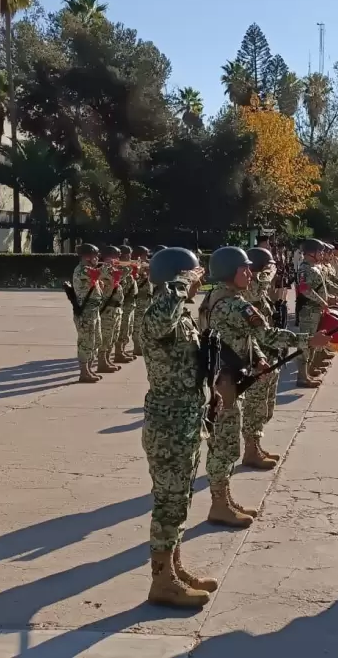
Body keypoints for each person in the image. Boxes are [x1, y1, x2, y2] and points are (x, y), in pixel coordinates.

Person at [199, 247, 331, 527]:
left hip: (223, 376)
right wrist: (309, 340)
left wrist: (257, 358)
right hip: (226, 383)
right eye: (243, 269)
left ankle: (224, 500)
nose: (250, 273)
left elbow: (245, 339)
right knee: (224, 447)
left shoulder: (216, 297)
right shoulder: (235, 304)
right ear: (228, 272)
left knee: (225, 442)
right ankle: (219, 505)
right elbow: (267, 333)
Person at [139, 247, 216, 608]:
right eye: (194, 274)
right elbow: (157, 323)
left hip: (186, 418)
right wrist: (183, 280)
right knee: (168, 504)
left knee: (181, 500)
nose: (200, 280)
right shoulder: (159, 310)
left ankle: (174, 568)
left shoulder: (181, 315)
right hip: (168, 423)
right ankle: (161, 582)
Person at [241, 247, 284, 469]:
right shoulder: (249, 288)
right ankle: (250, 449)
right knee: (254, 405)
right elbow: (259, 289)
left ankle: (255, 444)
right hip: (254, 356)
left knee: (265, 406)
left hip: (267, 352)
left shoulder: (258, 286)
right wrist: (269, 271)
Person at [294, 238, 335, 387]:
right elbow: (305, 289)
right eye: (320, 251)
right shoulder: (305, 269)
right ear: (312, 253)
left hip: (316, 310)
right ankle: (302, 377)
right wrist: (322, 302)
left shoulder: (315, 267)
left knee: (313, 343)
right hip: (308, 311)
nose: (322, 254)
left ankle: (308, 372)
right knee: (306, 343)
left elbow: (323, 286)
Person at [71, 243, 103, 383]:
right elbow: (99, 273)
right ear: (86, 256)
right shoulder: (82, 270)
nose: (97, 258)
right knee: (85, 342)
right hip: (85, 312)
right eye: (94, 255)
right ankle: (84, 372)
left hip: (94, 310)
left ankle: (89, 370)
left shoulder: (89, 269)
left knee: (95, 341)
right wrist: (109, 266)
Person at [98, 246, 124, 373]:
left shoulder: (112, 269)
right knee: (106, 336)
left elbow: (122, 278)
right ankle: (102, 362)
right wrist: (111, 266)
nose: (118, 259)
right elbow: (114, 279)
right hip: (107, 308)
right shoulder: (103, 269)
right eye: (115, 256)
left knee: (113, 337)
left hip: (115, 308)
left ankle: (107, 360)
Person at [131, 246, 152, 356]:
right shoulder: (135, 265)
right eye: (145, 254)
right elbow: (134, 281)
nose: (147, 257)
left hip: (147, 298)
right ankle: (136, 346)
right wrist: (143, 272)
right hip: (139, 298)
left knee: (145, 323)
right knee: (138, 323)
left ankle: (142, 344)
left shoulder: (146, 264)